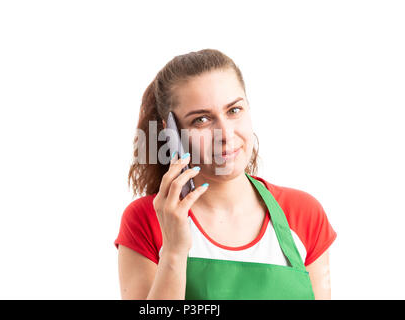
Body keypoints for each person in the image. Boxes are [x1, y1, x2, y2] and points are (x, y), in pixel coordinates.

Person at [114, 49, 337, 300]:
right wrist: (174, 252)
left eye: (234, 111)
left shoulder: (302, 213)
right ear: (172, 132)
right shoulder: (146, 220)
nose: (226, 134)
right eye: (201, 119)